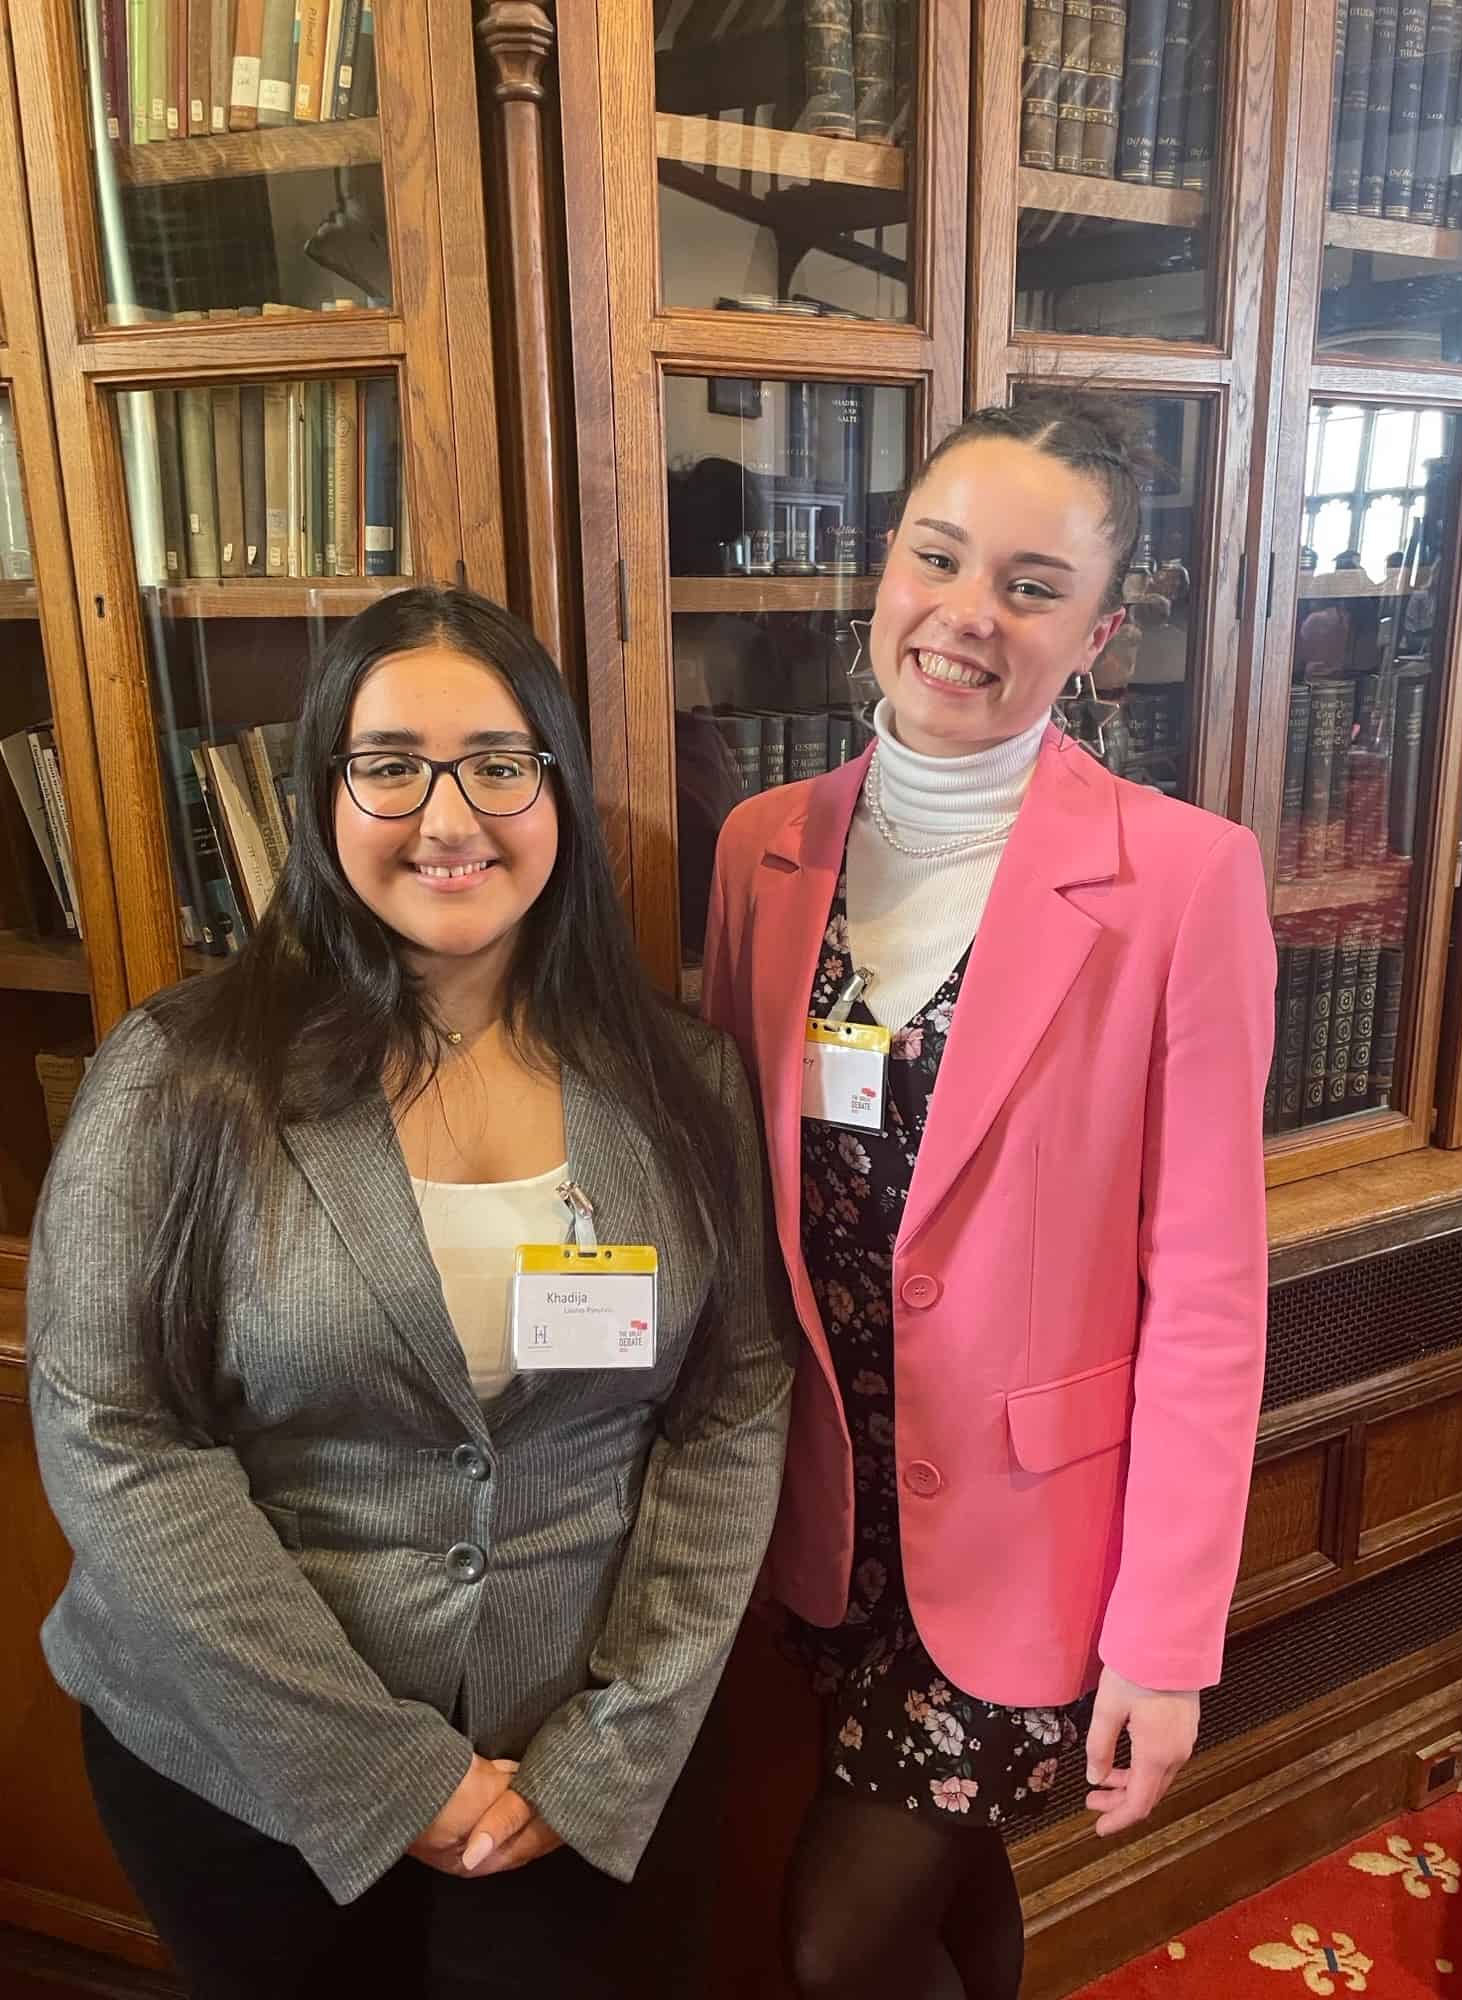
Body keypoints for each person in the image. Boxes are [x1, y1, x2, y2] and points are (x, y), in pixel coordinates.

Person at [28, 588, 792, 2000]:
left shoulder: (685, 1084)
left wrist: (615, 1742)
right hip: (244, 1764)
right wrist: (383, 1770)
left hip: (574, 1761)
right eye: (392, 766)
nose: (451, 818)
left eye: (500, 764)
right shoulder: (177, 1078)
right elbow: (118, 1442)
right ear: (325, 792)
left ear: (555, 789)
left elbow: (733, 1406)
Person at [702, 393, 1277, 2000]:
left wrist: (1166, 1641)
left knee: (832, 1947)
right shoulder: (760, 848)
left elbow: (1212, 1296)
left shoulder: (1183, 879)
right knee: (944, 1910)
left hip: (1037, 1543)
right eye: (937, 557)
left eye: (1031, 585)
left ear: (1097, 629)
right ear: (881, 573)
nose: (967, 614)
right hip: (826, 1521)